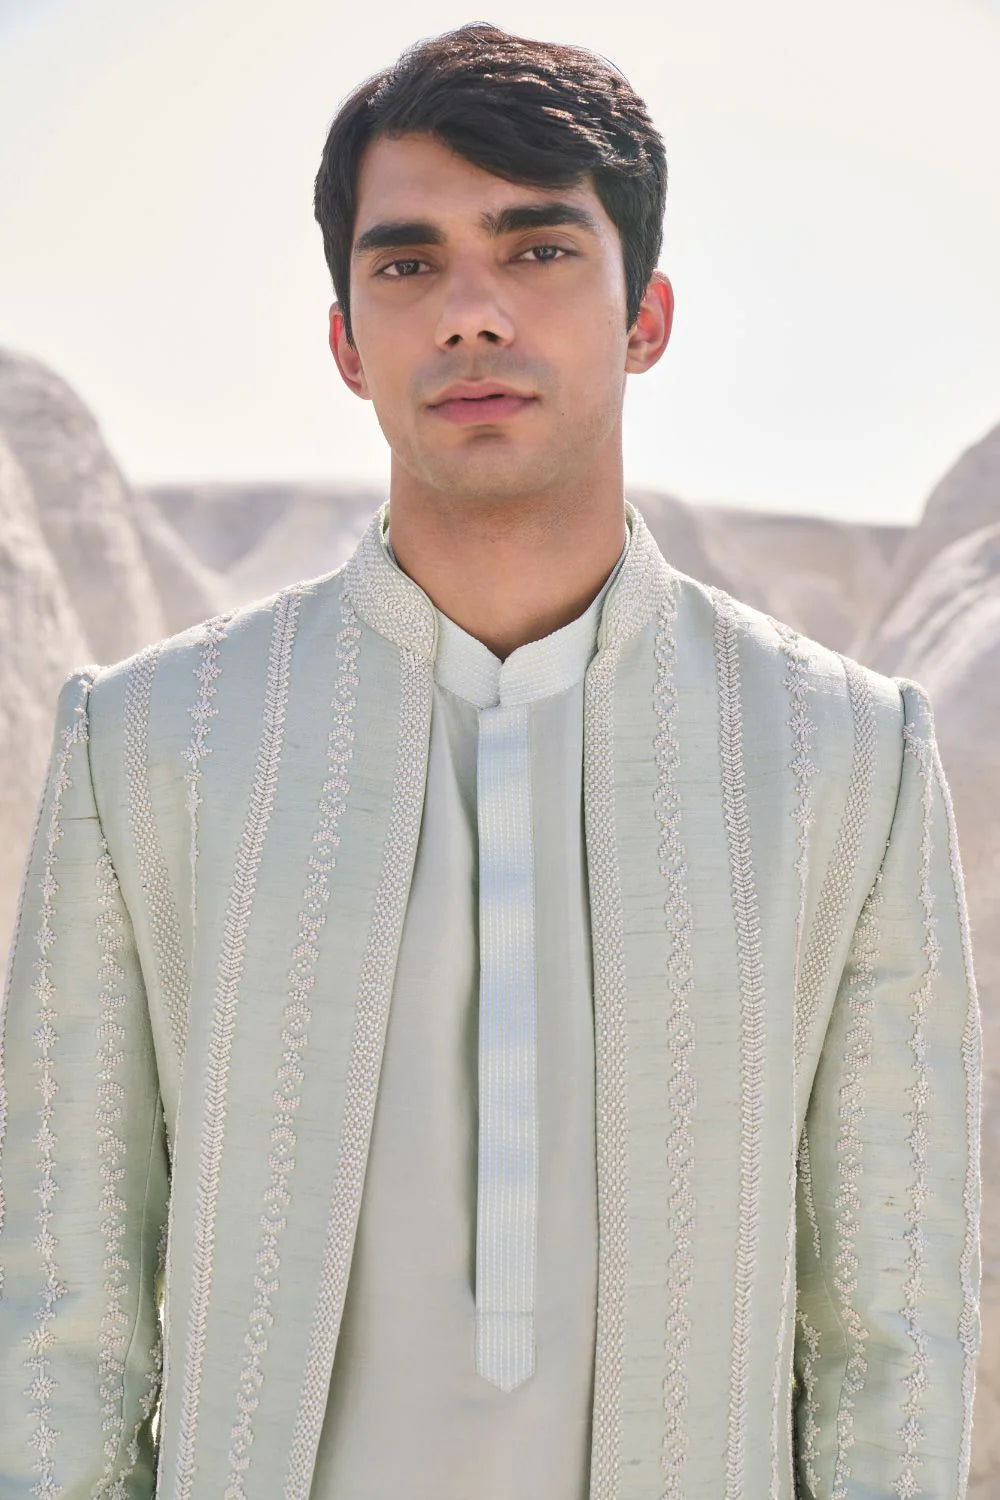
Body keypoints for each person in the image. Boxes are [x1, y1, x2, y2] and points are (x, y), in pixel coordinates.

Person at [0, 22, 982, 1500]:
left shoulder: (845, 756)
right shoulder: (149, 744)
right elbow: (60, 1327)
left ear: (645, 315)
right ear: (347, 342)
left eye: (537, 250)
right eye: (407, 263)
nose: (470, 311)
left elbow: (892, 1337)